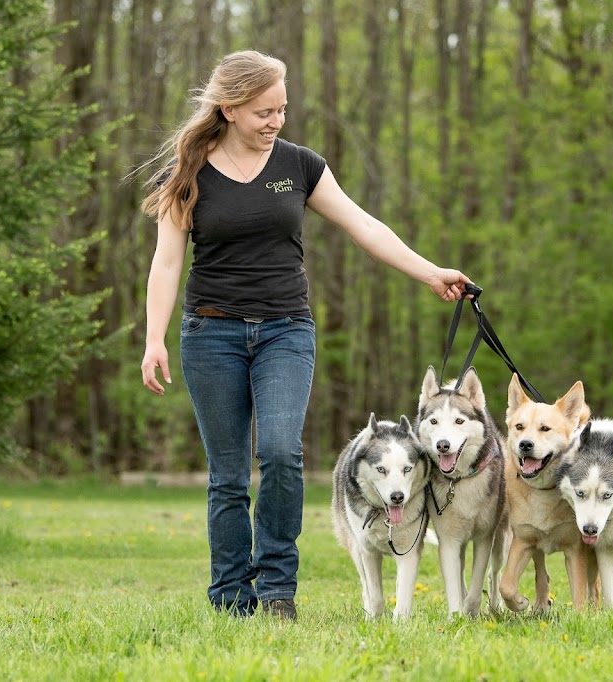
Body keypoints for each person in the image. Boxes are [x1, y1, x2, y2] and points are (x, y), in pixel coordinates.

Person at [139, 50, 472, 620]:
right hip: (210, 334)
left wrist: (430, 271)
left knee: (280, 453)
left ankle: (275, 592)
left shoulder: (299, 166)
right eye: (264, 112)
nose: (276, 122)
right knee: (226, 475)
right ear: (230, 109)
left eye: (282, 110)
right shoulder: (190, 173)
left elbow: (364, 224)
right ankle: (230, 597)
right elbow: (167, 262)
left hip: (285, 332)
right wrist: (154, 339)